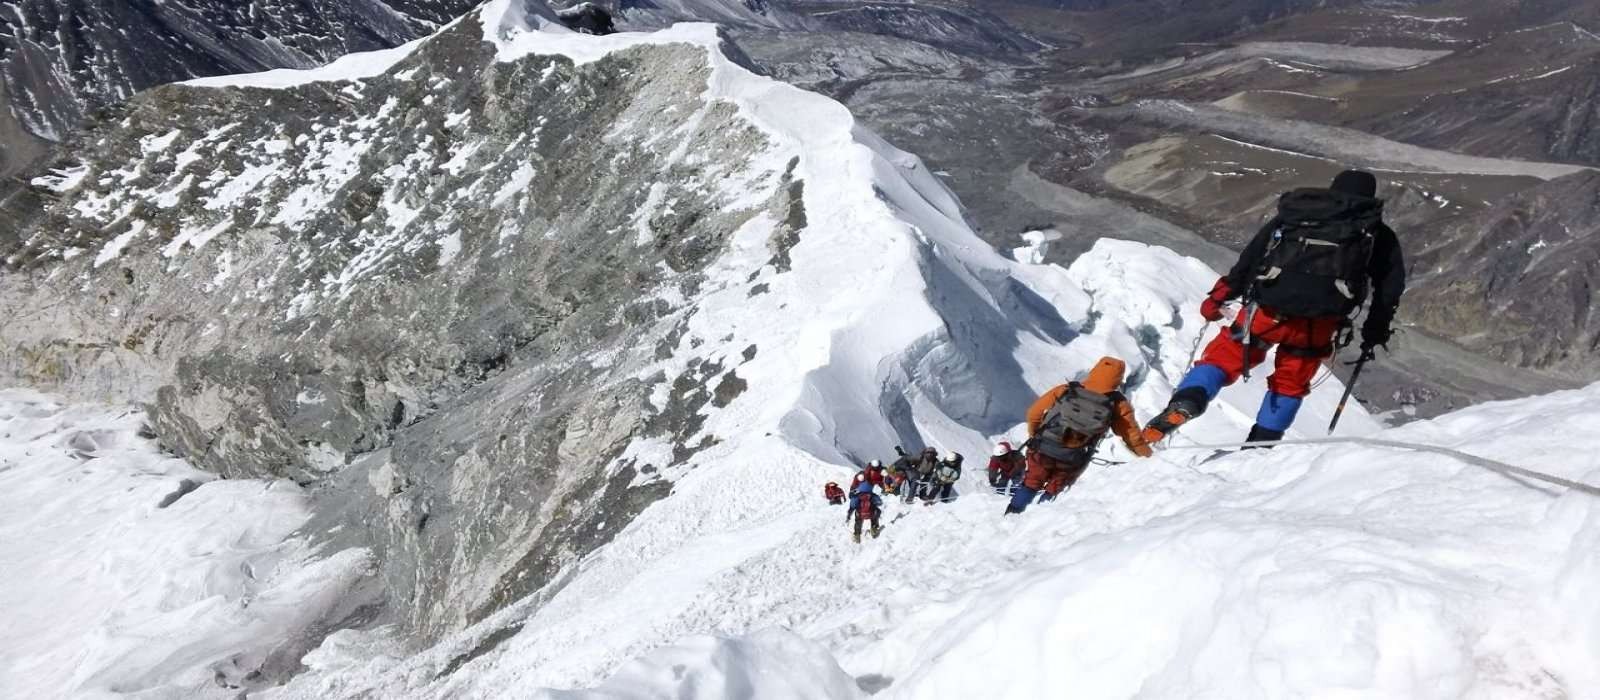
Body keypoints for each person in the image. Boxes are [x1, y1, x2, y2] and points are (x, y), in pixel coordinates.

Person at [1143, 170, 1406, 446]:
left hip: (1267, 311)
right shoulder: (1376, 232)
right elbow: (1389, 289)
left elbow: (1252, 257)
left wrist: (1222, 294)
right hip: (1317, 326)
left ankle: (1187, 401)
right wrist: (1374, 332)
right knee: (1289, 384)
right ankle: (1260, 445)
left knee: (1222, 359)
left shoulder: (1299, 215)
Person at [1007, 356, 1153, 514]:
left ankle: (1012, 514)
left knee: (1031, 482)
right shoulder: (1118, 404)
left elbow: (1033, 413)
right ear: (1118, 378)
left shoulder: (1066, 390)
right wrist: (1151, 458)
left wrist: (1035, 434)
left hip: (1043, 447)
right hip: (1074, 455)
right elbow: (1132, 436)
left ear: (1094, 370)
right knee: (1055, 487)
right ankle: (1040, 517)